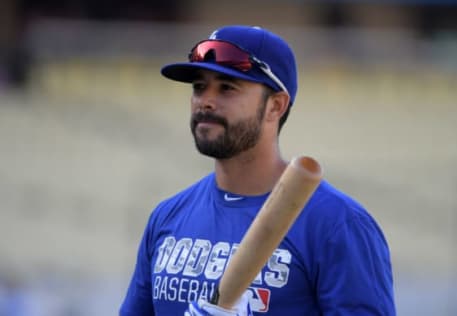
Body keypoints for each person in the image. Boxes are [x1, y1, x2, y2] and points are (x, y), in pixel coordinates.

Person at [119, 25, 396, 316]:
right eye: (199, 87)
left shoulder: (337, 225)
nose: (206, 101)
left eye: (227, 87)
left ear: (275, 106)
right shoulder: (167, 217)